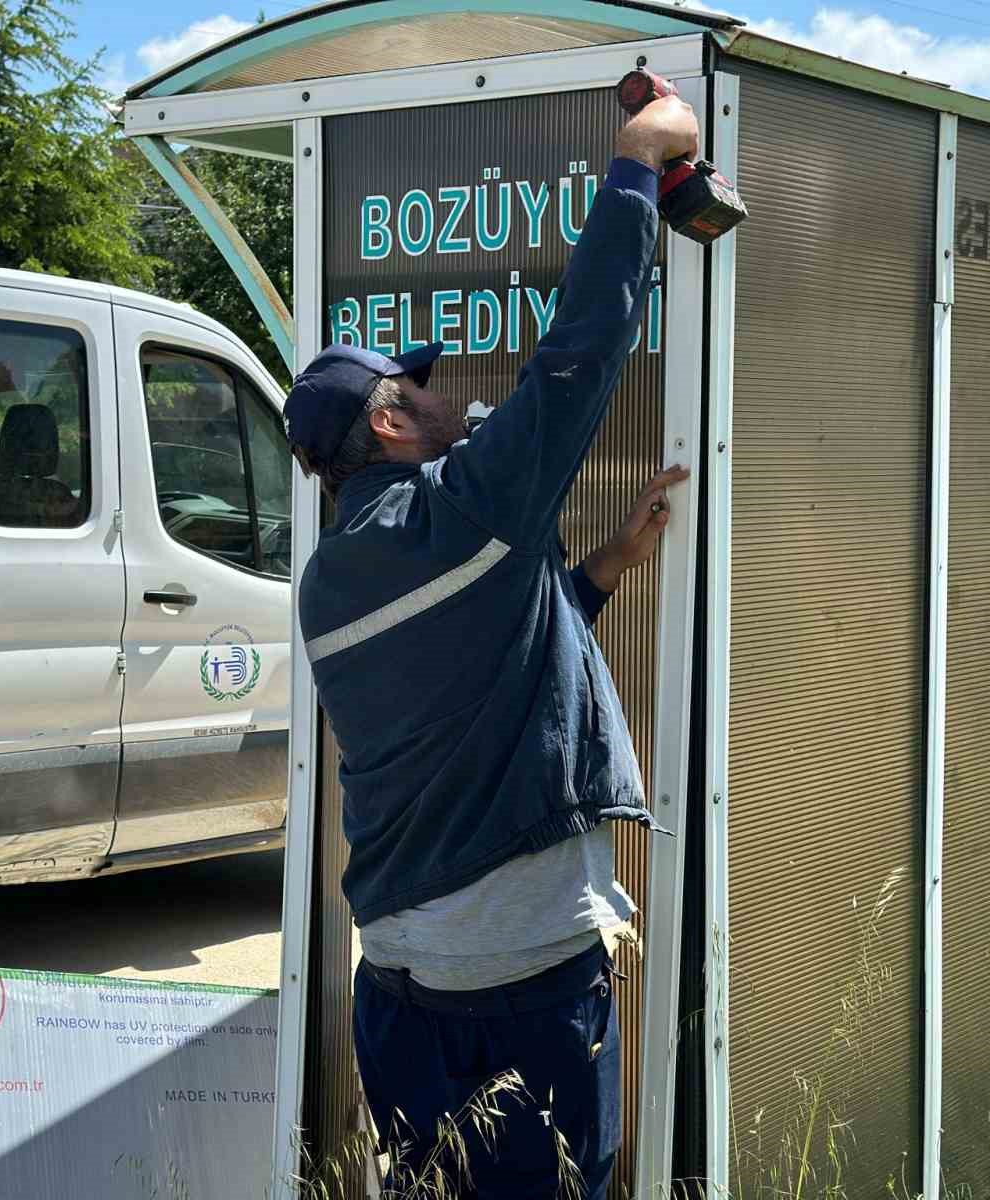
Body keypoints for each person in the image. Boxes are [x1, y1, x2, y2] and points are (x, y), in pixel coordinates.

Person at [284, 91, 699, 1199]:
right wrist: (635, 163)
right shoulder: (460, 513)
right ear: (384, 424)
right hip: (520, 980)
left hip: (403, 985)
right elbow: (578, 358)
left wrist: (601, 569)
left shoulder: (332, 581)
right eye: (414, 384)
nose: (435, 388)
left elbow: (478, 669)